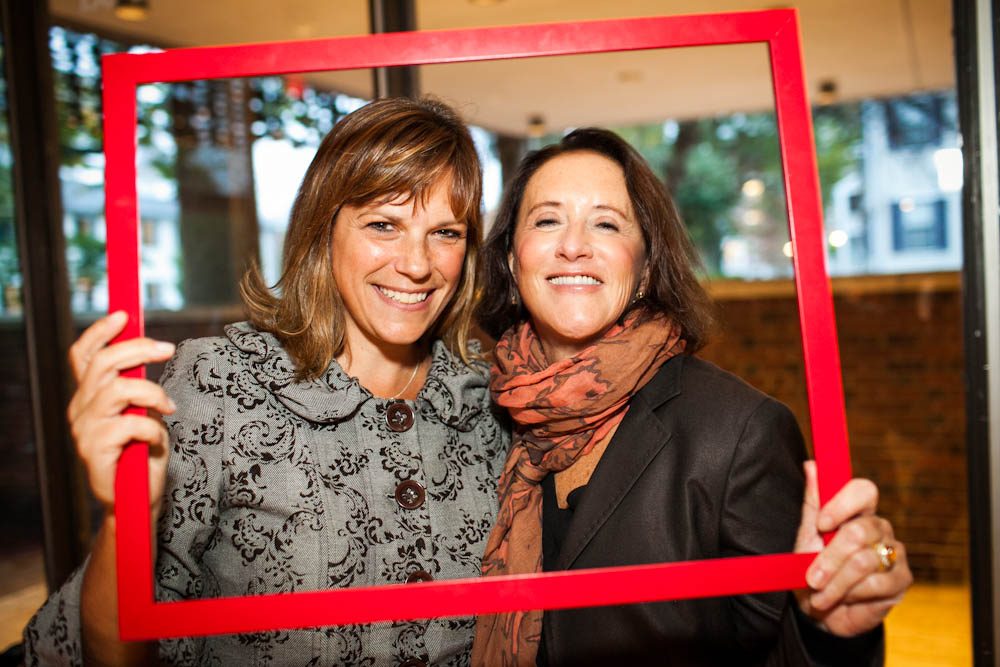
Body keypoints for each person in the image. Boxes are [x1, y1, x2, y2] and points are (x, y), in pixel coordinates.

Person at [24, 97, 509, 666]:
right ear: (323, 229)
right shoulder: (222, 384)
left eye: (446, 232)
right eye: (384, 224)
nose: (417, 264)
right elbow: (112, 653)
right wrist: (126, 517)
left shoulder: (490, 406)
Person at [472, 128, 912, 666]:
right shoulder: (483, 414)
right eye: (547, 220)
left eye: (606, 223)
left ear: (645, 267)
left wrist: (827, 631)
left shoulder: (740, 433)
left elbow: (784, 650)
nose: (573, 245)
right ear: (512, 260)